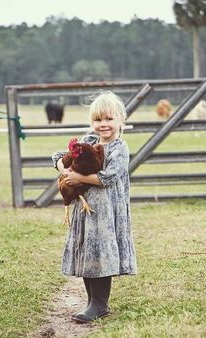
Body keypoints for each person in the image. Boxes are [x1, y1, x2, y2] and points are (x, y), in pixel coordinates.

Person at [52, 90, 137, 323]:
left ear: (121, 119)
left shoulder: (119, 149)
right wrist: (65, 170)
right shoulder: (88, 141)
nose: (103, 124)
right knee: (87, 253)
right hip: (84, 210)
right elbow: (59, 156)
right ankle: (91, 301)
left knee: (100, 254)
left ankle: (100, 304)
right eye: (98, 120)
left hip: (107, 213)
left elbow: (107, 178)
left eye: (109, 119)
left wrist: (78, 179)